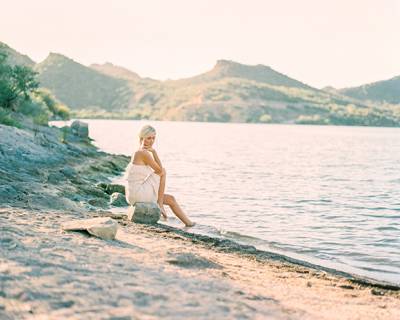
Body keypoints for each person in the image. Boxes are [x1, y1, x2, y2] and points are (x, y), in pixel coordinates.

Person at [125, 125, 195, 227]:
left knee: (171, 199)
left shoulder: (138, 151)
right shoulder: (143, 153)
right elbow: (159, 170)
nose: (152, 141)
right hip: (137, 193)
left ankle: (189, 224)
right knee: (164, 171)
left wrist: (153, 151)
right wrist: (154, 152)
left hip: (133, 194)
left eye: (153, 138)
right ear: (141, 138)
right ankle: (160, 204)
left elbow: (158, 170)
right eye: (149, 138)